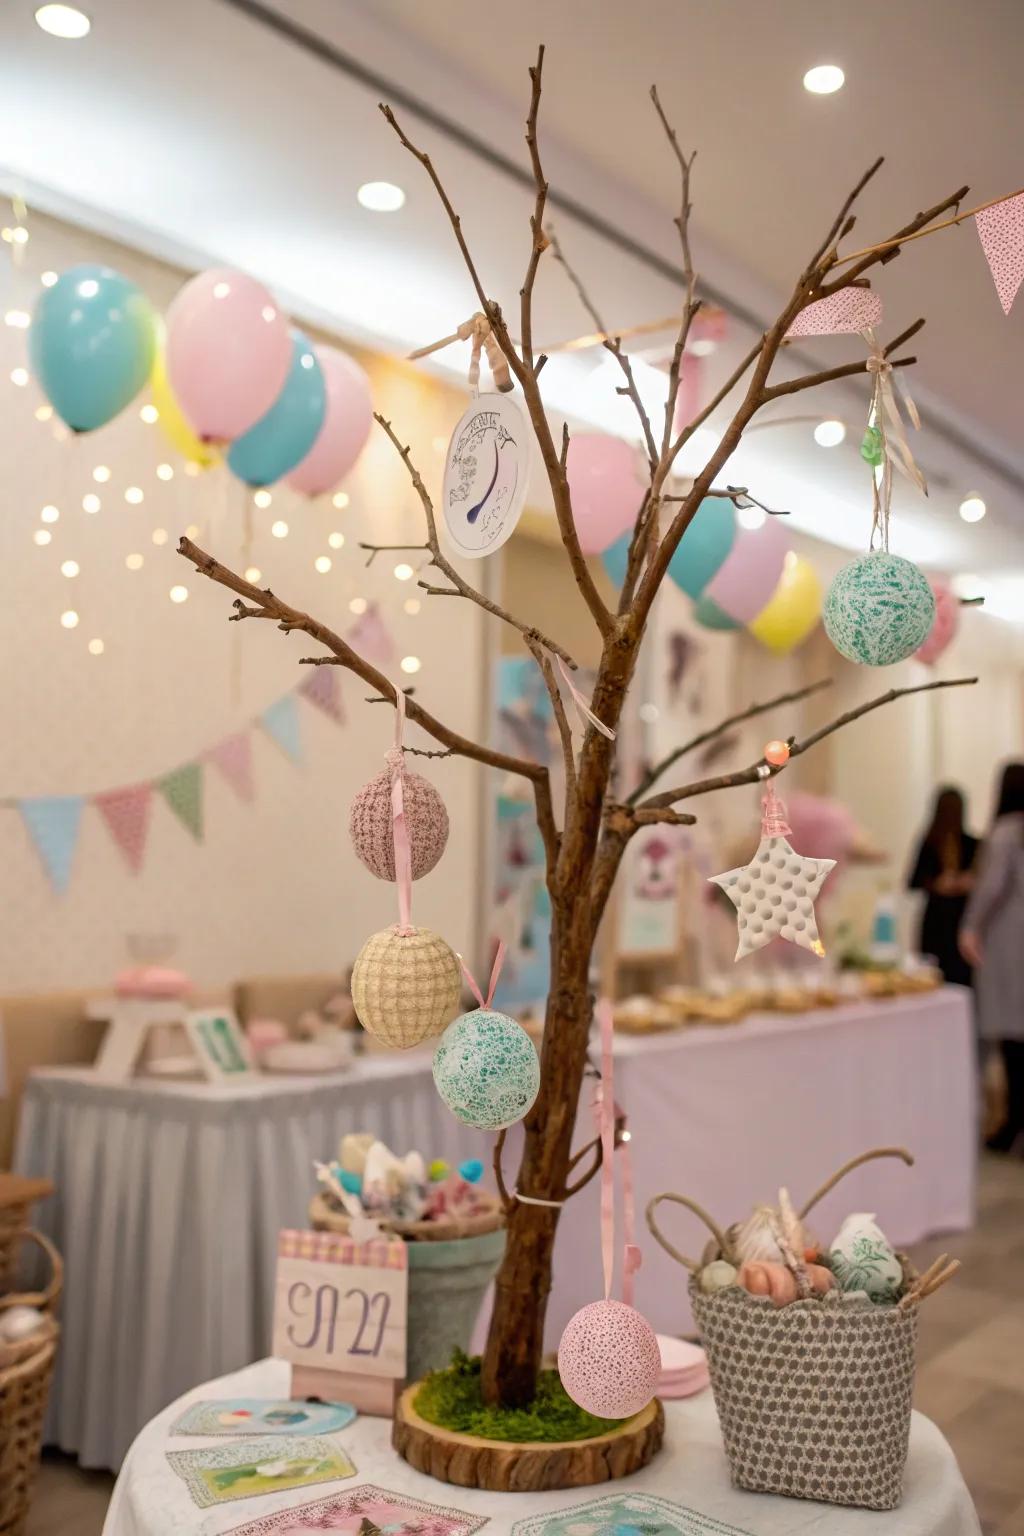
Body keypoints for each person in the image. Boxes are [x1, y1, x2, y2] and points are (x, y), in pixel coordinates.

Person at [960, 762, 1024, 1152]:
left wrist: (970, 927)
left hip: (1010, 943)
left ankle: (1011, 1125)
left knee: (1013, 1040)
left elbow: (991, 888)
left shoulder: (1006, 834)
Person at [907, 786, 978, 986]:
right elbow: (913, 881)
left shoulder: (972, 844)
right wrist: (937, 884)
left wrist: (967, 882)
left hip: (959, 918)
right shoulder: (930, 843)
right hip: (938, 921)